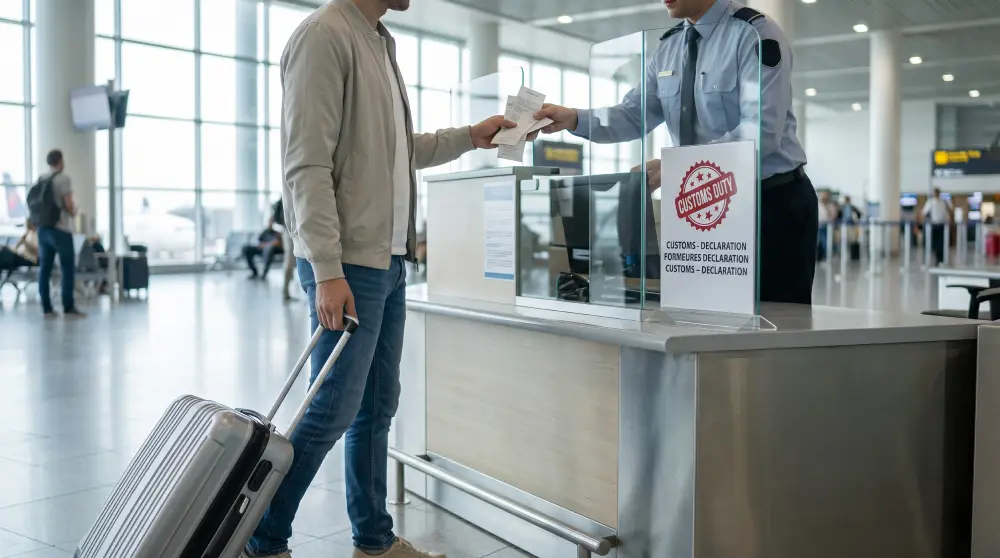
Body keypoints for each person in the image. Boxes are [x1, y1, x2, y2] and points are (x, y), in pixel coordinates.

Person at [242, 0, 515, 557]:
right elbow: (306, 165)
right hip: (347, 265)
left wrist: (471, 135)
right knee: (332, 408)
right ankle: (262, 541)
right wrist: (326, 270)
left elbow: (399, 152)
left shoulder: (378, 41)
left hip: (388, 263)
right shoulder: (324, 35)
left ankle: (374, 541)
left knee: (376, 408)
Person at [534, 0, 817, 305]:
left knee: (776, 320)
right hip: (700, 207)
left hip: (768, 203)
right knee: (703, 315)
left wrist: (680, 168)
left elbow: (761, 131)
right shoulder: (669, 47)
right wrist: (574, 118)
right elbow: (632, 114)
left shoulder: (753, 33)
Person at [34, 149, 84, 318]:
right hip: (60, 229)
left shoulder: (41, 178)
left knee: (45, 269)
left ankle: (46, 308)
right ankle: (68, 307)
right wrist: (75, 211)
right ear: (60, 161)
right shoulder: (63, 179)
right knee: (67, 267)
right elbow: (68, 205)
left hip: (42, 229)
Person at [271, 197, 297, 300]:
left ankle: (287, 289)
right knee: (289, 261)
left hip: (299, 229)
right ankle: (285, 290)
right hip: (289, 230)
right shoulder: (285, 196)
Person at [922, 188, 953, 266]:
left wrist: (949, 220)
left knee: (941, 244)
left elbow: (949, 212)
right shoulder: (930, 202)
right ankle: (932, 259)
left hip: (942, 225)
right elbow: (924, 213)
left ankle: (940, 259)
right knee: (933, 244)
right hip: (934, 225)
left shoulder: (943, 202)